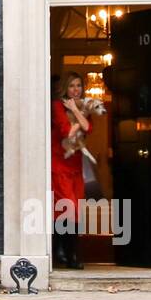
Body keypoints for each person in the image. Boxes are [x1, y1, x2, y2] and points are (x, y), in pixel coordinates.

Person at [51, 73, 92, 269]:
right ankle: (70, 254)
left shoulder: (82, 107)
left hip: (75, 165)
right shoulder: (57, 106)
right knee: (69, 209)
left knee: (74, 211)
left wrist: (75, 110)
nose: (76, 90)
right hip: (60, 164)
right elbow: (66, 133)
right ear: (65, 89)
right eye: (72, 86)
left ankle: (64, 251)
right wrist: (77, 121)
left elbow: (87, 127)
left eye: (79, 86)